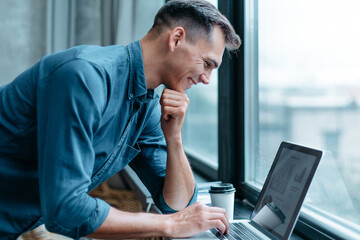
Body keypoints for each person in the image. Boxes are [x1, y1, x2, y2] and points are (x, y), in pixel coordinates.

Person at [0, 0, 241, 239]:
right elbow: (65, 209)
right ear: (176, 38)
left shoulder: (145, 106)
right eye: (207, 64)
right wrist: (168, 225)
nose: (207, 79)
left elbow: (177, 206)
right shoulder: (85, 77)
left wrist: (174, 137)